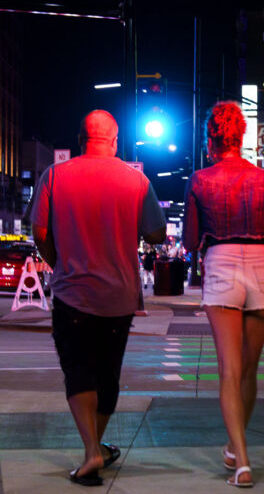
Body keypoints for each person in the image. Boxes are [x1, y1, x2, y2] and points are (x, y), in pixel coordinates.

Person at [30, 110, 166, 486]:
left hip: (72, 292)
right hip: (119, 296)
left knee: (78, 371)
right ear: (116, 140)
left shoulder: (54, 176)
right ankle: (97, 447)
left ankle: (92, 450)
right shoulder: (137, 181)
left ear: (79, 138)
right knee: (108, 376)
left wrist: (57, 262)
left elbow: (39, 230)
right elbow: (156, 234)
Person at [182, 101, 264, 488]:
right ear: (242, 136)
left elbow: (189, 240)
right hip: (262, 267)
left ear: (211, 138)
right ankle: (235, 448)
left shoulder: (200, 180)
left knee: (229, 373)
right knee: (249, 370)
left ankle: (243, 461)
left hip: (221, 263)